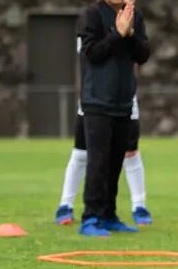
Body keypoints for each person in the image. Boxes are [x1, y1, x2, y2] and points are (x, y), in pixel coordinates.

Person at [75, 0, 150, 237]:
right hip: (96, 102)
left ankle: (108, 215)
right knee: (97, 161)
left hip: (123, 102)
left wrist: (129, 34)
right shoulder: (91, 15)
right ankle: (90, 217)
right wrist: (117, 34)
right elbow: (93, 53)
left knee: (116, 161)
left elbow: (143, 54)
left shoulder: (135, 16)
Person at [54, 96, 152, 226]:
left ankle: (139, 207)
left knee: (130, 154)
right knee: (81, 153)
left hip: (124, 100)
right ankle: (65, 205)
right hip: (92, 98)